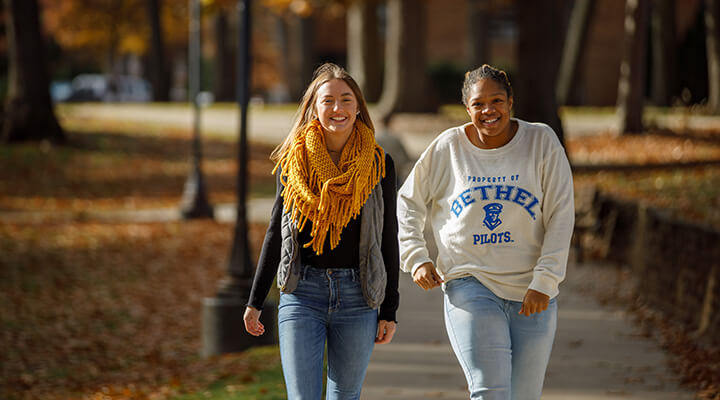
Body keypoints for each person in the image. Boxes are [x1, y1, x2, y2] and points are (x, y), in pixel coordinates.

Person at [397, 64, 574, 400]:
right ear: (467, 109)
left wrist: (545, 281)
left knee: (524, 395)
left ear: (511, 102)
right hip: (470, 283)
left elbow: (561, 215)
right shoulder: (448, 148)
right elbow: (408, 201)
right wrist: (417, 257)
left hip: (532, 292)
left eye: (497, 101)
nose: (488, 110)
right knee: (491, 392)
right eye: (478, 104)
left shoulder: (541, 142)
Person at [244, 62, 399, 400]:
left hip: (360, 296)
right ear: (314, 108)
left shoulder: (378, 165)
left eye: (346, 99)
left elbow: (387, 236)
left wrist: (389, 309)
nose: (337, 108)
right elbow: (276, 231)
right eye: (328, 100)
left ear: (358, 107)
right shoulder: (292, 162)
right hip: (302, 293)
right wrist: (256, 300)